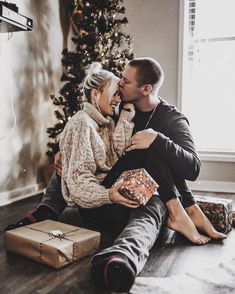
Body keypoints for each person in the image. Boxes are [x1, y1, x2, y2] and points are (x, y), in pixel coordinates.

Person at [6, 58, 226, 293]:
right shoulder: (116, 105)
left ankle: (125, 255)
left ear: (146, 89)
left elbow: (192, 168)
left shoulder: (171, 119)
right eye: (119, 79)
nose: (120, 84)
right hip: (107, 189)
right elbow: (88, 134)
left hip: (145, 187)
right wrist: (65, 147)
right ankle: (46, 210)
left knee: (152, 199)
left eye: (125, 80)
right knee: (79, 162)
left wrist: (159, 140)